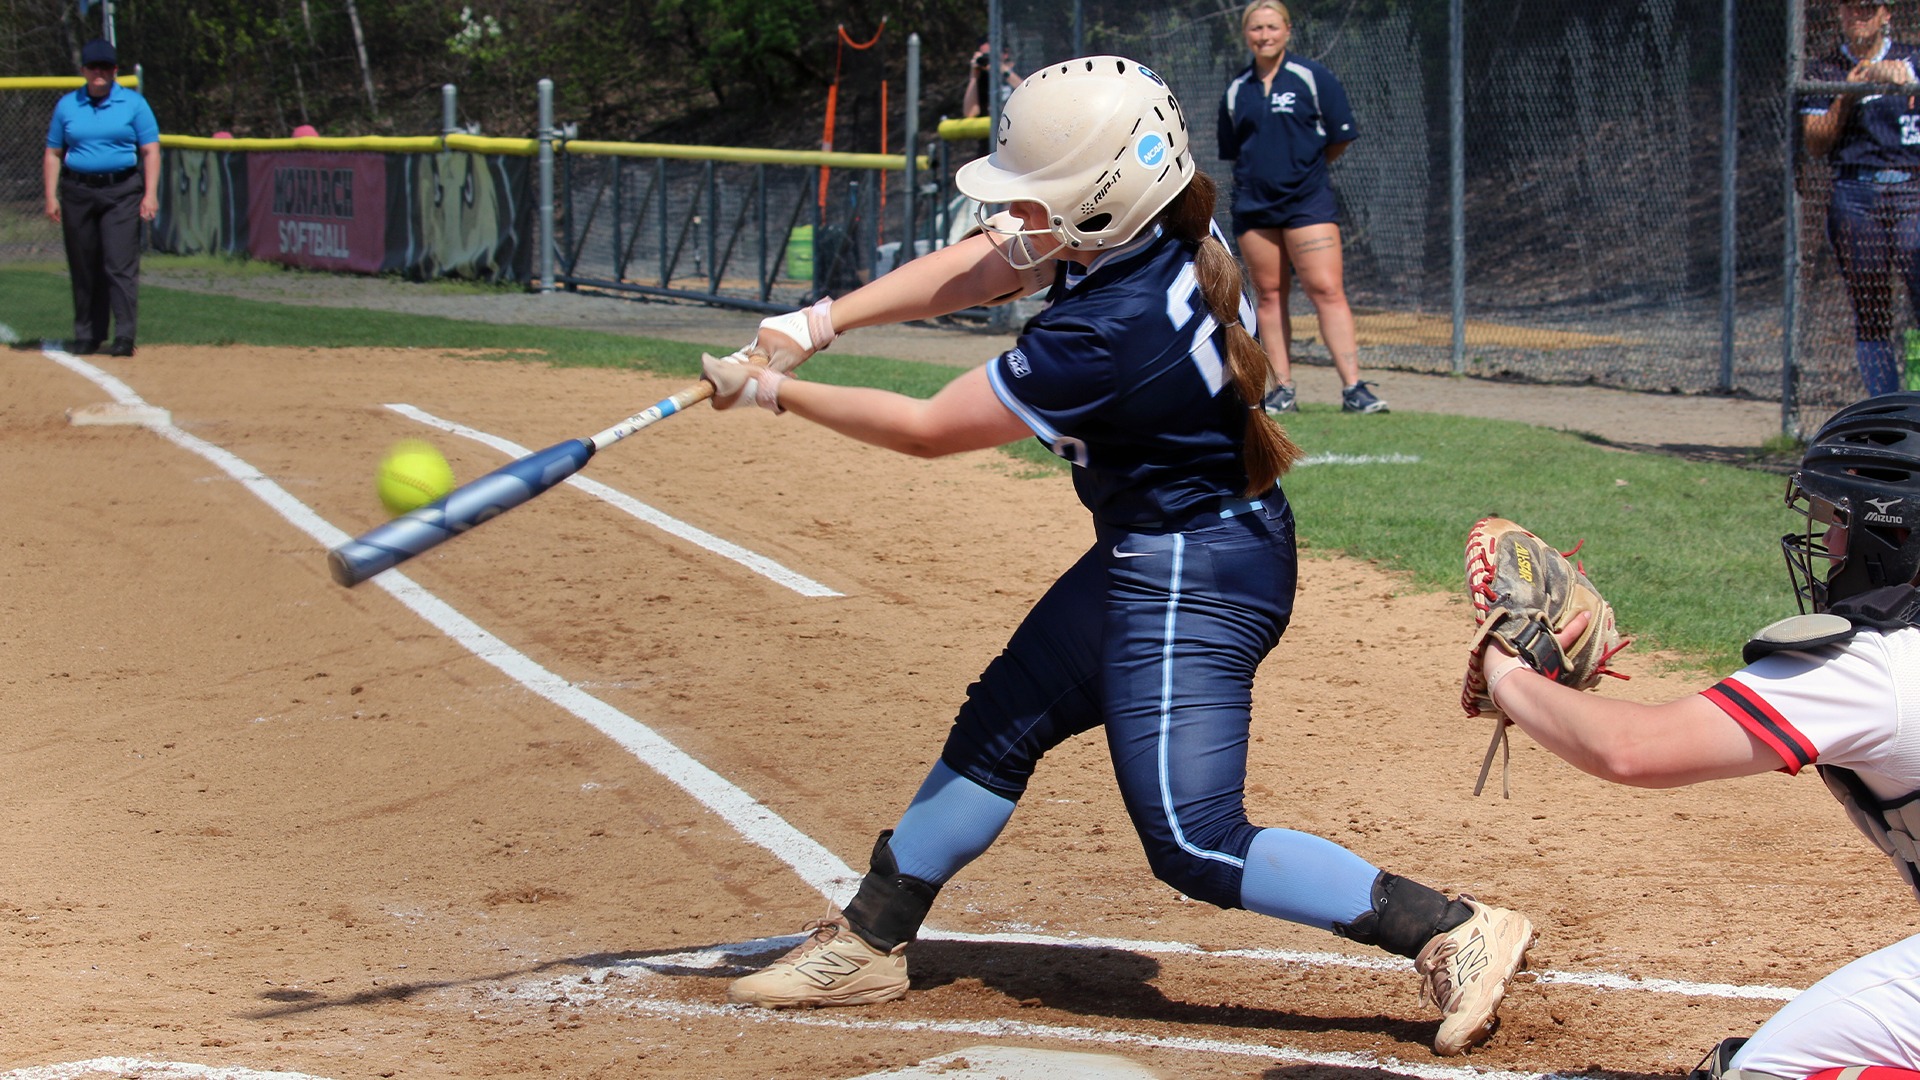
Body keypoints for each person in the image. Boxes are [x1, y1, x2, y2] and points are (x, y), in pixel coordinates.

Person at [700, 56, 1533, 1057]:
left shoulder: (1111, 329)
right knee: (1004, 717)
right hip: (1169, 548)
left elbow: (927, 429)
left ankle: (1450, 929)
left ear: (1101, 203)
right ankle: (871, 940)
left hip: (1196, 574)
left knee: (1192, 838)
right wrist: (817, 322)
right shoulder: (1171, 227)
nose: (1016, 217)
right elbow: (993, 262)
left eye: (1037, 198)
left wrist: (772, 391)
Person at [1479, 392, 1920, 1080]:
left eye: (1840, 521)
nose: (1829, 544)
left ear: (1895, 532)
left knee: (1766, 1072)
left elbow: (1633, 748)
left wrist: (1504, 667)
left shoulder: (1873, 669)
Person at [1217, 0, 1384, 415]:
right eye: (1256, 28)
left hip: (1308, 203)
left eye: (1272, 27)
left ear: (1288, 30)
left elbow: (1339, 138)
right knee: (1269, 295)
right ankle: (1282, 389)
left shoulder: (1312, 77)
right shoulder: (1237, 90)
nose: (1264, 35)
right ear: (1246, 34)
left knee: (1326, 289)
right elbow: (1235, 151)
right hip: (1255, 208)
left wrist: (1302, 172)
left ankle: (1354, 389)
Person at [1802, 0, 1920, 397]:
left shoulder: (1912, 58)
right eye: (1851, 8)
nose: (1859, 16)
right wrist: (1850, 93)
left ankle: (1917, 404)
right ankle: (1886, 411)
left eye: (1868, 8)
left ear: (1886, 14)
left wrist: (1902, 76)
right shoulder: (1825, 70)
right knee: (1871, 310)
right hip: (1856, 193)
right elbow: (1815, 142)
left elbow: (1906, 74)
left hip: (1911, 189)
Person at [41, 38, 159, 358]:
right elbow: (53, 152)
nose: (99, 73)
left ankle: (124, 335)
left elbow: (150, 150)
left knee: (119, 263)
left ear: (115, 70)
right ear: (83, 70)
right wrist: (50, 195)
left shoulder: (133, 104)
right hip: (78, 191)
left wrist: (150, 194)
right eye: (93, 67)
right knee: (84, 264)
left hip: (121, 190)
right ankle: (88, 333)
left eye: (105, 67)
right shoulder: (68, 105)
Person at [961, 37, 1023, 120]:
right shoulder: (982, 79)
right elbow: (970, 113)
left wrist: (1002, 69)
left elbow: (1028, 94)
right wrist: (974, 77)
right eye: (985, 56)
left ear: (1005, 54)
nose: (989, 60)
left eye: (991, 55)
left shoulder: (1018, 69)